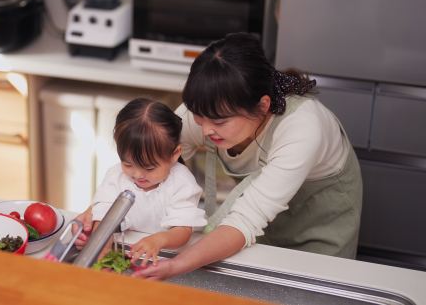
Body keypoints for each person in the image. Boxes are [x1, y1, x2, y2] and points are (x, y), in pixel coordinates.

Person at [76, 32, 362, 280]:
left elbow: (245, 221)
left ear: (262, 106)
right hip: (260, 226)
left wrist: (176, 265)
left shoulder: (303, 128)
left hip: (317, 225)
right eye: (199, 117)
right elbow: (151, 160)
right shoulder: (209, 110)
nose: (206, 129)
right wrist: (100, 211)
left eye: (219, 122)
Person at [85, 97, 206, 266]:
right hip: (129, 250)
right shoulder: (116, 175)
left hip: (164, 257)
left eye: (149, 168)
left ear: (174, 154)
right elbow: (104, 215)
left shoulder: (182, 183)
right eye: (128, 164)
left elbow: (183, 230)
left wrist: (158, 240)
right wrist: (102, 246)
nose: (137, 174)